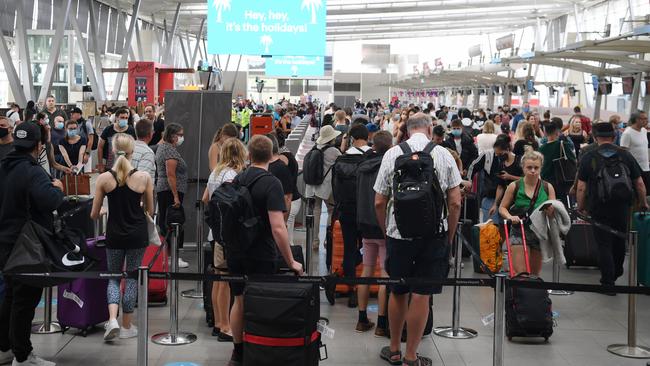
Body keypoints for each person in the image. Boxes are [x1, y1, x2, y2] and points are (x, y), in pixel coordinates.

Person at [375, 113, 462, 366]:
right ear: (430, 128)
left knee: (398, 290)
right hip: (434, 234)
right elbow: (455, 202)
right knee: (422, 293)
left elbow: (379, 201)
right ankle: (411, 356)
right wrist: (450, 235)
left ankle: (393, 349)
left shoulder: (392, 154)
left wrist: (387, 231)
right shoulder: (444, 154)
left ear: (406, 130)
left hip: (398, 234)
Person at [227, 135, 303, 366]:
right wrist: (290, 261)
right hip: (262, 252)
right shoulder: (272, 183)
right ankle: (261, 350)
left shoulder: (238, 179)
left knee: (239, 300)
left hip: (237, 251)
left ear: (249, 154)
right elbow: (278, 227)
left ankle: (238, 352)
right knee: (262, 300)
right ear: (272, 156)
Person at [0, 122, 64, 366]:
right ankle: (23, 355)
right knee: (25, 299)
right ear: (38, 146)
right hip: (27, 246)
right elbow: (50, 201)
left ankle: (4, 347)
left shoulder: (3, 166)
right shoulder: (33, 171)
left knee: (11, 296)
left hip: (5, 243)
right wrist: (57, 189)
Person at [91, 133, 153, 342]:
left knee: (113, 277)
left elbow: (94, 213)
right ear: (132, 152)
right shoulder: (143, 177)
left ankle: (112, 319)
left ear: (112, 151)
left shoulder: (104, 179)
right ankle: (127, 324)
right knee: (133, 277)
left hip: (114, 235)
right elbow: (150, 211)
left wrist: (102, 212)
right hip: (137, 235)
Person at [577, 122, 648, 290]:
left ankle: (608, 281)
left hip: (599, 206)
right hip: (623, 206)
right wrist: (643, 202)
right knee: (619, 240)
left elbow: (581, 186)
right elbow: (639, 183)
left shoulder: (589, 156)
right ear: (614, 136)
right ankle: (616, 270)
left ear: (595, 137)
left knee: (603, 243)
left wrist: (580, 206)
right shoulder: (626, 155)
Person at [202, 138, 247, 341]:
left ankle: (218, 322)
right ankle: (225, 326)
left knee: (219, 280)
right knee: (226, 281)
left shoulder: (215, 172)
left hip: (215, 232)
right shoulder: (232, 175)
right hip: (227, 234)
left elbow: (206, 200)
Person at [355, 130, 392, 336]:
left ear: (373, 145)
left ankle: (361, 319)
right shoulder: (388, 166)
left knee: (366, 270)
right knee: (385, 275)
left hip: (364, 224)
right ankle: (381, 323)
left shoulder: (362, 166)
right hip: (383, 225)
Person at [499, 147, 556, 276]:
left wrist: (551, 211)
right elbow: (502, 207)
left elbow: (553, 211)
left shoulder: (547, 187)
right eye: (529, 167)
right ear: (523, 168)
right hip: (519, 231)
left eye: (536, 168)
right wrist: (509, 216)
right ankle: (516, 295)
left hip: (539, 233)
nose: (533, 171)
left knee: (534, 276)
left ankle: (529, 296)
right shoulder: (515, 186)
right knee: (521, 273)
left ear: (541, 168)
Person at [337, 123, 372, 308]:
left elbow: (336, 191)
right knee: (369, 249)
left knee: (349, 248)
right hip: (368, 212)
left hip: (347, 211)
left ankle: (350, 288)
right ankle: (366, 288)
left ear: (351, 138)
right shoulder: (373, 158)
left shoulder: (342, 159)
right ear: (367, 137)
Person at [155, 123, 189, 268]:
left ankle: (169, 255)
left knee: (166, 222)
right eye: (180, 135)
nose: (181, 138)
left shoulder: (163, 146)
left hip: (165, 190)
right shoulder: (169, 151)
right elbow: (171, 175)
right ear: (172, 135)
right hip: (169, 192)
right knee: (172, 223)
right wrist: (175, 196)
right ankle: (172, 256)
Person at [305, 125, 342, 251]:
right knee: (331, 211)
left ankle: (315, 241)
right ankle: (328, 239)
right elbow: (341, 164)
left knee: (316, 211)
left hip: (312, 185)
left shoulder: (315, 147)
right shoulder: (334, 151)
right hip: (326, 186)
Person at [539, 120, 576, 200]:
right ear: (557, 132)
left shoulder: (541, 149)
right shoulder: (563, 145)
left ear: (545, 133)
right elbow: (573, 160)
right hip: (562, 181)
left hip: (546, 181)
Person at [488, 134, 522, 219]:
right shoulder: (501, 164)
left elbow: (528, 180)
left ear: (507, 149)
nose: (499, 156)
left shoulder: (519, 161)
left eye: (500, 154)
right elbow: (500, 187)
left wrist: (510, 177)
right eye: (497, 155)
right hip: (506, 201)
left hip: (520, 199)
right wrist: (495, 204)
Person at [97, 108, 136, 172]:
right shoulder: (108, 129)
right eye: (122, 117)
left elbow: (134, 147)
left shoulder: (131, 130)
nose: (124, 120)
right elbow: (100, 146)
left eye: (126, 118)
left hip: (127, 165)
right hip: (110, 165)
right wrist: (100, 164)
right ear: (116, 118)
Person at [620, 111, 650, 194]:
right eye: (643, 119)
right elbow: (623, 152)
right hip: (634, 170)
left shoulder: (644, 131)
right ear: (636, 119)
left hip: (646, 168)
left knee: (646, 193)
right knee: (637, 193)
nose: (646, 121)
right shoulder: (627, 133)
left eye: (646, 118)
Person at [266, 133, 293, 220]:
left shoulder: (282, 162)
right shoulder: (281, 161)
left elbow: (287, 197)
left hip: (278, 214)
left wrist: (283, 221)